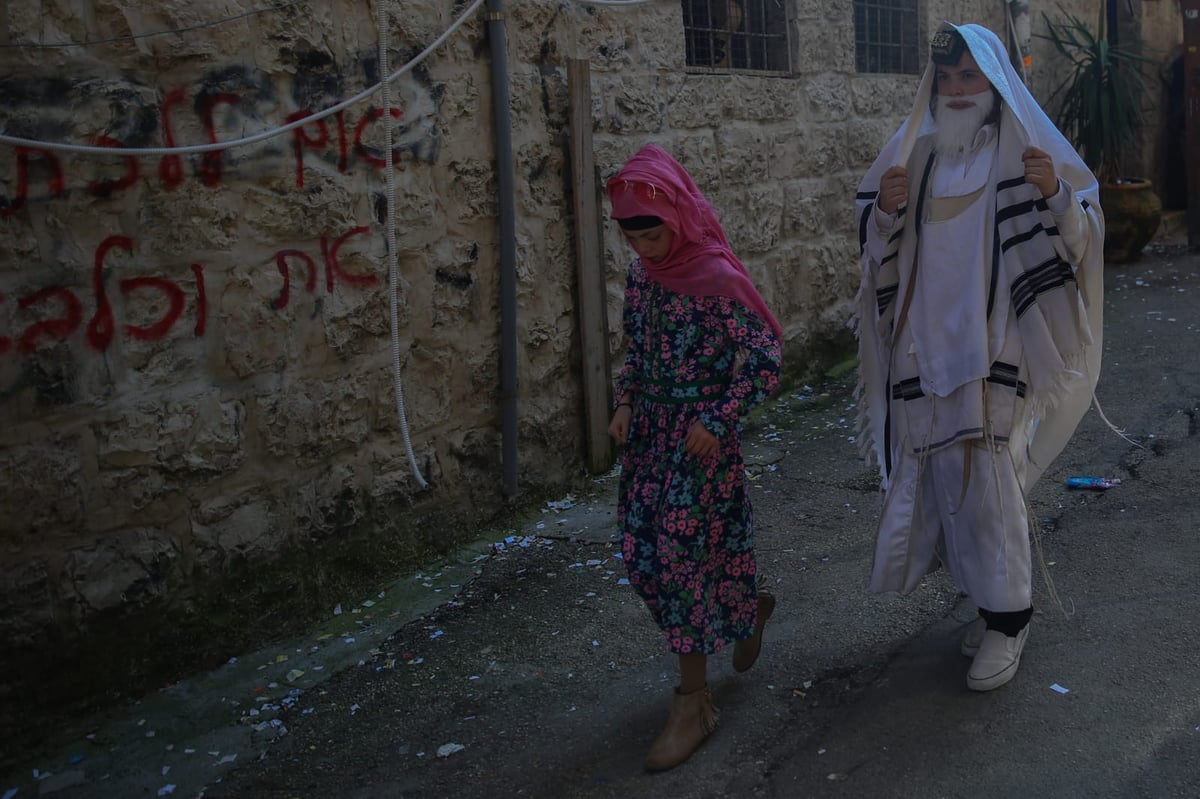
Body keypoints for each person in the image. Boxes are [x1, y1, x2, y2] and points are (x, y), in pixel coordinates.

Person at [853, 23, 1105, 692]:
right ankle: (988, 606)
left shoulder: (1022, 156)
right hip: (925, 347)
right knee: (947, 483)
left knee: (989, 485)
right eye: (948, 79)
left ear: (995, 88)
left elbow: (1079, 240)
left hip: (996, 343)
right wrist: (885, 209)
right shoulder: (921, 157)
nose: (959, 90)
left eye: (972, 79)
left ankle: (1010, 619)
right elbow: (876, 240)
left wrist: (1054, 195)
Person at [606, 144, 783, 770]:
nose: (644, 248)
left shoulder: (714, 277)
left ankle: (693, 702)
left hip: (700, 442)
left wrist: (717, 417)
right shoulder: (639, 277)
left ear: (677, 218)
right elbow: (636, 348)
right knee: (641, 551)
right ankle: (743, 606)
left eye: (652, 234)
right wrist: (627, 400)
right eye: (631, 236)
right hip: (652, 436)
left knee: (680, 556)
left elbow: (764, 357)